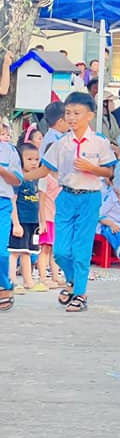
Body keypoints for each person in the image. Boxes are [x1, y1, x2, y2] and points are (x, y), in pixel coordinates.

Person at [26, 92, 118, 313]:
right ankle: (73, 280)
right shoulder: (61, 143)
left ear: (90, 115)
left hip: (89, 198)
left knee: (81, 249)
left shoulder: (100, 142)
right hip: (66, 197)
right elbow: (44, 169)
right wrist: (21, 177)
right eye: (68, 113)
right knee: (60, 250)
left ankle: (80, 294)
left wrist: (92, 168)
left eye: (77, 113)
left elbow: (109, 172)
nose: (72, 118)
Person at [37, 103, 68, 287]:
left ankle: (55, 275)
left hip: (56, 215)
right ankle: (43, 276)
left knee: (54, 247)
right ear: (60, 121)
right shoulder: (54, 141)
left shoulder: (56, 138)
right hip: (47, 216)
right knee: (45, 248)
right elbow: (42, 198)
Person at [9, 143, 44, 292]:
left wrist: (41, 222)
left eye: (36, 159)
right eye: (29, 159)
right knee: (14, 252)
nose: (34, 163)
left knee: (27, 252)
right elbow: (12, 201)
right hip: (21, 221)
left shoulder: (34, 180)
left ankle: (28, 281)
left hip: (32, 222)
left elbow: (38, 202)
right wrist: (16, 223)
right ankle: (11, 281)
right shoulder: (18, 179)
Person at [0, 121, 24, 311]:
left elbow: (17, 180)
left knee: (1, 251)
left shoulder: (9, 151)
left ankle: (5, 285)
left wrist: (1, 169)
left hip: (3, 202)